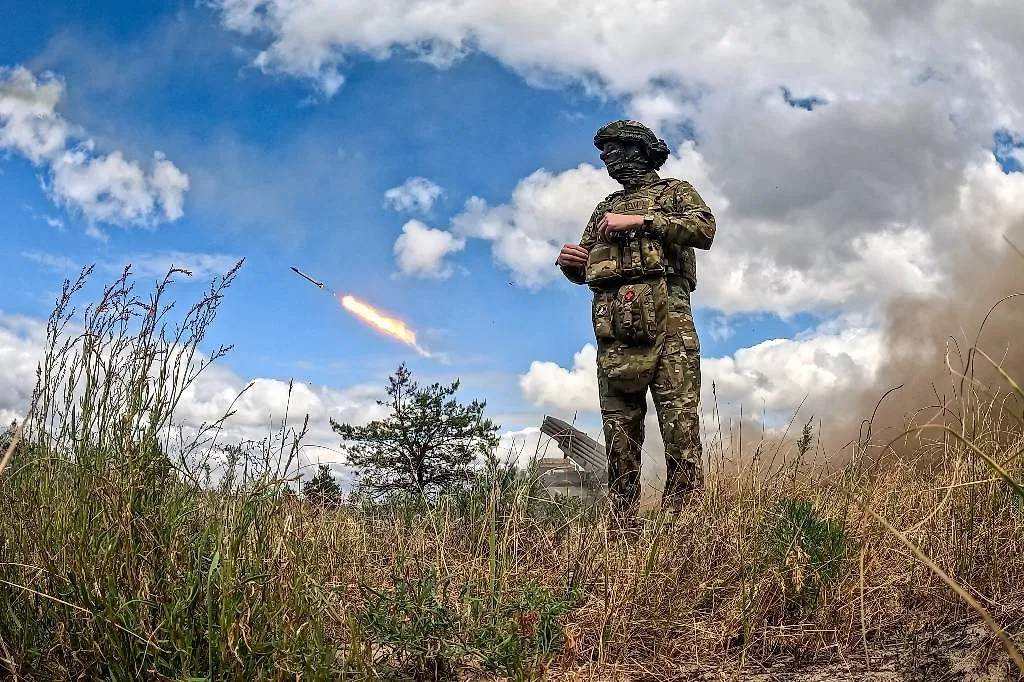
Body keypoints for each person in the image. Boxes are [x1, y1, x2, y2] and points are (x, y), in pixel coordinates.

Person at [556, 119, 716, 530]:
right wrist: (573, 265)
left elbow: (704, 228)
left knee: (680, 428)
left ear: (639, 150)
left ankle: (685, 528)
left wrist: (643, 221)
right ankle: (623, 528)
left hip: (670, 327)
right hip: (616, 335)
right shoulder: (603, 209)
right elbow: (590, 264)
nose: (608, 158)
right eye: (603, 151)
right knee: (619, 435)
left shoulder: (674, 192)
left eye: (615, 148)